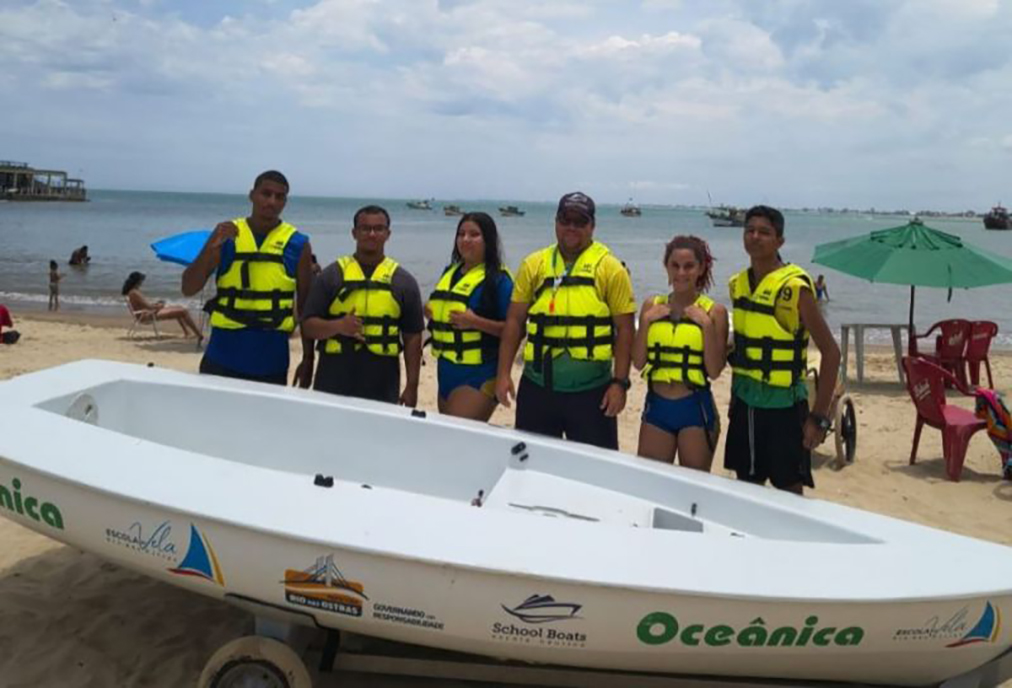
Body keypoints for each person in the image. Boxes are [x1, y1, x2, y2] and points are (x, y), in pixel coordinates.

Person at [496, 191, 636, 450]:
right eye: (565, 220)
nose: (571, 227)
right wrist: (503, 374)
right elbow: (514, 321)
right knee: (532, 462)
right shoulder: (534, 264)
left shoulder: (611, 269)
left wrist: (620, 384)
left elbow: (625, 329)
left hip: (593, 393)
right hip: (538, 389)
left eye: (580, 221)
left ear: (592, 226)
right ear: (556, 222)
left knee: (594, 468)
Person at [724, 205, 841, 495]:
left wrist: (819, 417)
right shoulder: (739, 285)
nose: (755, 237)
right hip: (745, 405)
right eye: (750, 230)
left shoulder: (795, 288)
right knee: (747, 487)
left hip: (785, 409)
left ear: (780, 241)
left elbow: (831, 352)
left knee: (789, 490)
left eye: (765, 232)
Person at [181, 170, 315, 387]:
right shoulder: (226, 234)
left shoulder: (298, 244)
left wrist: (308, 359)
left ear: (285, 202)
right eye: (266, 194)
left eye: (279, 197)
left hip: (271, 362)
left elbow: (306, 307)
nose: (271, 201)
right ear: (252, 195)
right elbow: (188, 288)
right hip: (221, 356)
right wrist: (210, 249)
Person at [302, 205, 424, 406]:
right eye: (365, 228)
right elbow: (307, 325)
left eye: (379, 229)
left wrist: (412, 386)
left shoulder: (404, 282)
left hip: (382, 380)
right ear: (354, 233)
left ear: (388, 234)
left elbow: (412, 337)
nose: (372, 234)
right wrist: (338, 326)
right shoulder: (331, 276)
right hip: (333, 376)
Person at [632, 236, 728, 470]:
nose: (681, 273)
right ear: (666, 266)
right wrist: (645, 322)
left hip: (694, 408)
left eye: (689, 266)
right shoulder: (651, 306)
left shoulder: (714, 312)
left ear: (701, 268)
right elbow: (638, 362)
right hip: (657, 406)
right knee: (652, 479)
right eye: (675, 265)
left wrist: (706, 326)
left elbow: (715, 371)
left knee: (692, 484)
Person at [426, 212, 514, 421]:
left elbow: (514, 330)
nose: (465, 239)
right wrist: (430, 311)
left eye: (474, 235)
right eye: (461, 234)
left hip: (479, 373)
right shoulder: (450, 273)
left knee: (457, 435)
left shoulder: (499, 280)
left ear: (488, 240)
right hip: (445, 370)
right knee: (448, 433)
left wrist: (475, 322)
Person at [122, 271, 202, 339]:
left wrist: (156, 305)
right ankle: (198, 334)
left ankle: (187, 333)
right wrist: (159, 306)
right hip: (147, 315)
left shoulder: (132, 292)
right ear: (137, 281)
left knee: (179, 308)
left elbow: (145, 305)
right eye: (141, 280)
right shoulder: (134, 293)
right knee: (183, 311)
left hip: (147, 313)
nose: (142, 282)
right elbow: (149, 307)